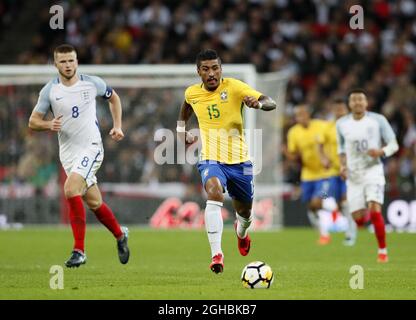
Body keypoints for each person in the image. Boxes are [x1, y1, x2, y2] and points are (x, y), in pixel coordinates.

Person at [28, 44, 130, 268]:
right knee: (93, 202)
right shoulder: (50, 91)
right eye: (63, 61)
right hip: (69, 154)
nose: (68, 65)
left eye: (71, 60)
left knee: (70, 188)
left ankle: (79, 251)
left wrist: (118, 126)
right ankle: (120, 235)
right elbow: (33, 121)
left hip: (92, 147)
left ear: (77, 61)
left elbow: (114, 98)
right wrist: (48, 124)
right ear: (56, 64)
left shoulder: (91, 82)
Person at [177, 49, 276, 273]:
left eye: (215, 68)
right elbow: (185, 108)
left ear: (221, 69)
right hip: (212, 159)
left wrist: (258, 104)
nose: (211, 73)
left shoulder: (234, 87)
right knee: (214, 192)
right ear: (198, 71)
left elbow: (271, 102)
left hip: (241, 162)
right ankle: (217, 255)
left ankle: (241, 233)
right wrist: (181, 130)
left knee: (246, 215)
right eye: (206, 69)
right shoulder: (192, 93)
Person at [336, 88, 399, 263]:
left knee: (374, 208)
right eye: (353, 100)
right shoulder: (341, 124)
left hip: (373, 171)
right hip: (353, 175)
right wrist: (342, 166)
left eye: (360, 99)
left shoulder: (378, 120)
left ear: (366, 102)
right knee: (358, 220)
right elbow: (341, 149)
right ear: (349, 104)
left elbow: (394, 144)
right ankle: (365, 220)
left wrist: (381, 151)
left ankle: (383, 250)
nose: (357, 102)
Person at [285, 105, 339, 245]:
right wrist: (288, 154)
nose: (301, 117)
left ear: (308, 114)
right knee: (311, 207)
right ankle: (323, 234)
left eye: (303, 114)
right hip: (307, 175)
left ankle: (333, 204)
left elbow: (334, 135)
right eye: (298, 115)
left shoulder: (321, 126)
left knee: (318, 200)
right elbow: (293, 154)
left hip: (324, 173)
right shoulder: (293, 132)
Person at [323, 98, 357, 246]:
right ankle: (348, 225)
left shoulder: (352, 126)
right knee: (335, 203)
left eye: (341, 109)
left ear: (346, 110)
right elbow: (320, 145)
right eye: (336, 109)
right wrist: (324, 159)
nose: (339, 112)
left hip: (348, 170)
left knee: (346, 201)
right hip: (332, 172)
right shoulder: (328, 127)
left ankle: (351, 234)